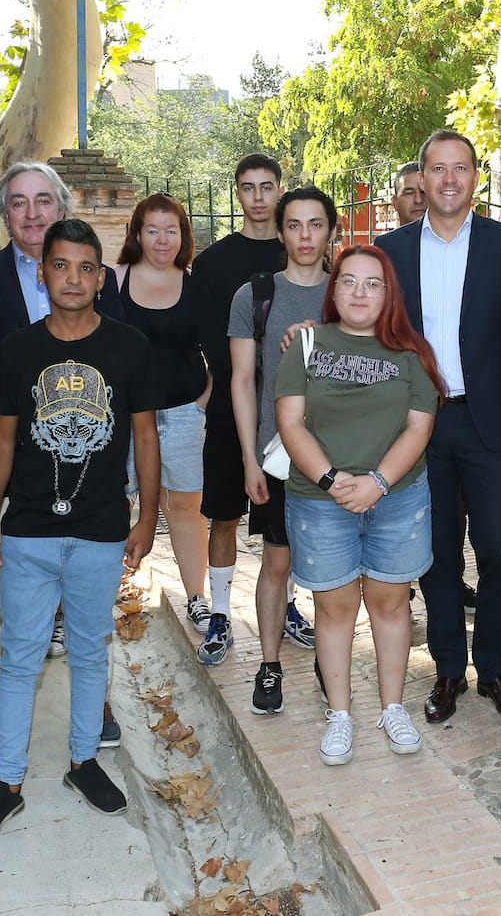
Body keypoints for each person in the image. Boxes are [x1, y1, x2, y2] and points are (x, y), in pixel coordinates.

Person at [0, 218, 161, 845]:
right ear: (41, 274)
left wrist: (147, 514)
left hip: (101, 528)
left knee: (90, 651)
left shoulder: (129, 345)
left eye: (85, 267)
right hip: (28, 530)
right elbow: (2, 437)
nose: (73, 278)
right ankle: (7, 781)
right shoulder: (19, 348)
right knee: (19, 658)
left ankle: (83, 762)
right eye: (60, 266)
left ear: (101, 277)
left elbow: (146, 435)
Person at [376, 129, 501, 723]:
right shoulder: (390, 250)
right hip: (418, 427)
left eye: (461, 168)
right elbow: (374, 338)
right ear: (420, 179)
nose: (449, 179)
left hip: (492, 422)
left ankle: (494, 669)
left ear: (477, 178)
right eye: (437, 169)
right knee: (436, 554)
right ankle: (449, 671)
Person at [0, 161, 123, 742]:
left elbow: (112, 366)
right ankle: (9, 695)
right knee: (11, 591)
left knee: (90, 601)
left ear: (62, 209)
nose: (31, 213)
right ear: (5, 214)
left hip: (85, 455)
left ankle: (95, 706)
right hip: (9, 455)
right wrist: (21, 417)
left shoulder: (100, 280)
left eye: (43, 201)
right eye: (19, 202)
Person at [275, 245, 444, 764]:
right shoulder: (305, 345)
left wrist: (377, 482)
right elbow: (290, 422)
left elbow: (420, 427)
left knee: (391, 605)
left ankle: (392, 708)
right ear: (334, 288)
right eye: (349, 281)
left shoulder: (412, 353)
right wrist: (333, 481)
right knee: (334, 607)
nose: (360, 293)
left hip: (396, 498)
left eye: (373, 283)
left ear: (389, 293)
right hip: (320, 502)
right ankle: (340, 715)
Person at [192, 154, 314, 664]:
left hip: (297, 414)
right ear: (237, 194)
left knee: (281, 525)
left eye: (268, 187)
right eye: (248, 188)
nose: (258, 197)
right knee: (223, 514)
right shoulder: (214, 262)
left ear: (280, 190)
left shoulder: (303, 261)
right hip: (233, 404)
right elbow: (208, 339)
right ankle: (220, 613)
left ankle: (285, 606)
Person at [227, 187, 335, 707]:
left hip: (341, 454)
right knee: (276, 563)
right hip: (279, 457)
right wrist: (249, 457)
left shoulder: (350, 292)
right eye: (295, 225)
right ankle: (268, 666)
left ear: (331, 231)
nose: (305, 236)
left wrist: (327, 341)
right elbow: (243, 381)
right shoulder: (255, 295)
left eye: (316, 225)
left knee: (334, 572)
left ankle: (329, 663)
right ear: (280, 231)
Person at [109, 193, 211, 636]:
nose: (162, 239)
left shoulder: (196, 286)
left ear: (183, 236)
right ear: (136, 233)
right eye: (152, 229)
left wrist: (201, 402)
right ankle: (103, 593)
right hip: (127, 418)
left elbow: (219, 352)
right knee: (115, 504)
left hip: (184, 413)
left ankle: (197, 598)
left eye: (171, 230)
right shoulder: (112, 282)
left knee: (186, 506)